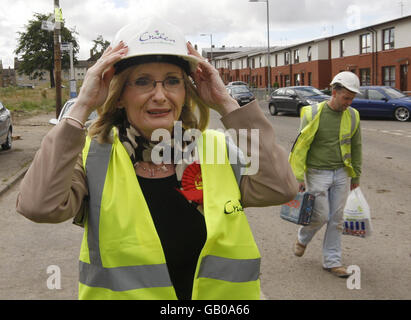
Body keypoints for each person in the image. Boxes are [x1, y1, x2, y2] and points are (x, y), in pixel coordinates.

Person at [16, 17, 298, 300]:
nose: (160, 95)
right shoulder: (94, 157)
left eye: (172, 82)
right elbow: (38, 206)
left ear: (185, 93)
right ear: (119, 97)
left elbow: (280, 187)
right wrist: (82, 106)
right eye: (143, 82)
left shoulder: (214, 149)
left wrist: (226, 102)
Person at [289, 71, 362, 278]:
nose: (349, 102)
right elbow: (300, 147)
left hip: (340, 173)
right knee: (320, 216)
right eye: (345, 97)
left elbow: (356, 147)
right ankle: (303, 238)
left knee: (336, 218)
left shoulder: (354, 116)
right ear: (334, 92)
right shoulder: (312, 114)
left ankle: (332, 261)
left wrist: (355, 177)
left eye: (352, 98)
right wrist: (298, 177)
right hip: (316, 172)